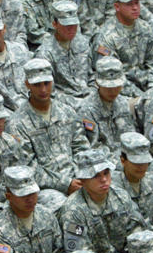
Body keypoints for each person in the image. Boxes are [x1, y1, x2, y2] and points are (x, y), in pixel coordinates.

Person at [7, 58, 90, 195]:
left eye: (47, 83)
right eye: (37, 85)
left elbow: (81, 147)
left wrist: (85, 175)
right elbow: (27, 167)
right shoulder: (17, 123)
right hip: (45, 188)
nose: (43, 89)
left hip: (77, 176)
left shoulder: (67, 112)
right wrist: (65, 184)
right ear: (27, 84)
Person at [59, 148, 143, 253]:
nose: (104, 179)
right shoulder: (73, 212)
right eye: (96, 175)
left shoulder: (121, 196)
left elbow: (136, 233)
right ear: (83, 180)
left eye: (106, 173)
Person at [92, 0, 153, 97]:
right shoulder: (106, 37)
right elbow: (110, 76)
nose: (135, 7)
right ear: (117, 7)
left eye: (136, 3)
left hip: (148, 86)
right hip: (121, 92)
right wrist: (142, 97)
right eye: (129, 4)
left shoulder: (146, 28)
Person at [34, 1, 92, 100]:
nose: (71, 29)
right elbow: (49, 92)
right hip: (65, 102)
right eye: (66, 25)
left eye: (74, 24)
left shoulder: (83, 43)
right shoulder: (45, 54)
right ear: (55, 24)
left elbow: (92, 75)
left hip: (89, 96)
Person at [78, 57, 135, 155]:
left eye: (116, 86)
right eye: (108, 87)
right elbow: (93, 147)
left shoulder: (123, 103)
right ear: (97, 83)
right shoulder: (87, 110)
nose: (113, 91)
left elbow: (131, 137)